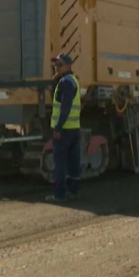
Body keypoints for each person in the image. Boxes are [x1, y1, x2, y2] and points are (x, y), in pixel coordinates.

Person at [46, 53, 82, 202]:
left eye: (60, 65)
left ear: (68, 65)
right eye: (55, 65)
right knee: (73, 161)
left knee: (60, 163)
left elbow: (65, 108)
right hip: (74, 128)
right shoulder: (73, 80)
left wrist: (58, 128)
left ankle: (59, 195)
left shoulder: (65, 82)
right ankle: (73, 191)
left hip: (64, 130)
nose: (57, 68)